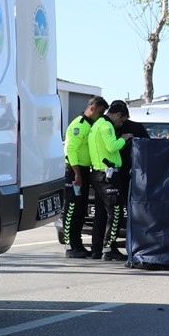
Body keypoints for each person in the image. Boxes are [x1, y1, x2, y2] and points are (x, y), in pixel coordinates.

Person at [61, 96, 107, 258]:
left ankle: (77, 244)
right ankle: (70, 246)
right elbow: (71, 150)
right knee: (72, 209)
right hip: (75, 171)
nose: (101, 116)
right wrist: (78, 174)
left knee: (80, 211)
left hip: (84, 170)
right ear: (93, 108)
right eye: (100, 112)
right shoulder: (79, 125)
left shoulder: (91, 125)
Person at [87, 101, 132, 261]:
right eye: (122, 120)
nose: (121, 124)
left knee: (101, 213)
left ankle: (96, 249)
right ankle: (109, 248)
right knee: (116, 211)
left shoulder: (96, 124)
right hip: (108, 175)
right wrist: (124, 138)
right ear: (119, 115)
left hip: (98, 174)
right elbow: (112, 146)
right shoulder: (106, 126)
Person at [114, 100, 150, 258]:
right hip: (133, 176)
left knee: (114, 213)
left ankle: (107, 247)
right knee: (127, 213)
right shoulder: (109, 127)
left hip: (116, 175)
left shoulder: (106, 126)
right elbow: (150, 149)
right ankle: (131, 245)